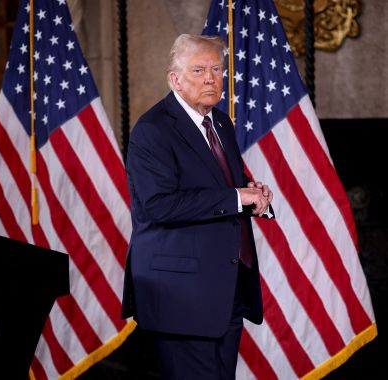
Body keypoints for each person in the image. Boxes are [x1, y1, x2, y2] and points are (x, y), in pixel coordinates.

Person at [121, 34, 274, 379]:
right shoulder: (153, 130)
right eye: (199, 70)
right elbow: (159, 205)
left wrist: (255, 196)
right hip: (181, 296)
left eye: (217, 69)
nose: (210, 78)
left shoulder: (221, 123)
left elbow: (224, 187)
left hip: (226, 287)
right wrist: (237, 197)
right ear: (175, 79)